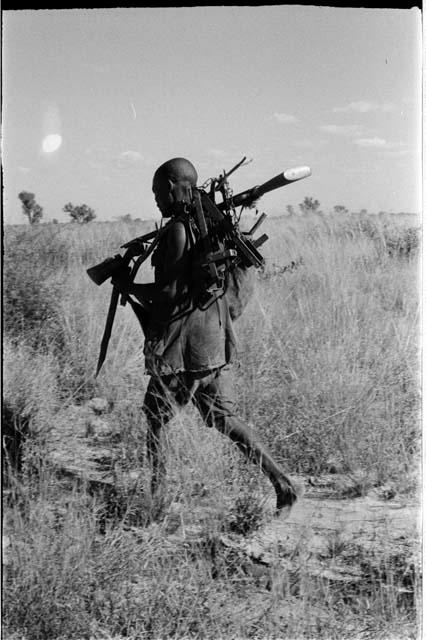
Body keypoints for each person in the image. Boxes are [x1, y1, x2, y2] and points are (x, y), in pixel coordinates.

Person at [112, 157, 302, 515]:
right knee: (222, 418)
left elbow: (169, 295)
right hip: (212, 339)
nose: (155, 198)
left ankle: (157, 497)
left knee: (155, 415)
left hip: (184, 346)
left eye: (157, 191)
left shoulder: (178, 231)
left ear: (171, 186)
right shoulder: (203, 224)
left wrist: (130, 286)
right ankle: (283, 483)